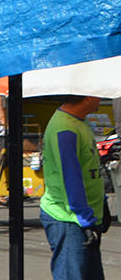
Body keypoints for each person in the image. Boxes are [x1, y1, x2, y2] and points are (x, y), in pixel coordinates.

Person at [40, 94, 106, 280]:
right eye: (98, 94)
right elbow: (69, 179)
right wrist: (85, 218)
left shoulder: (79, 122)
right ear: (87, 96)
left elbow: (88, 169)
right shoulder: (65, 129)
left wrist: (102, 205)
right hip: (69, 218)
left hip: (84, 216)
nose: (101, 98)